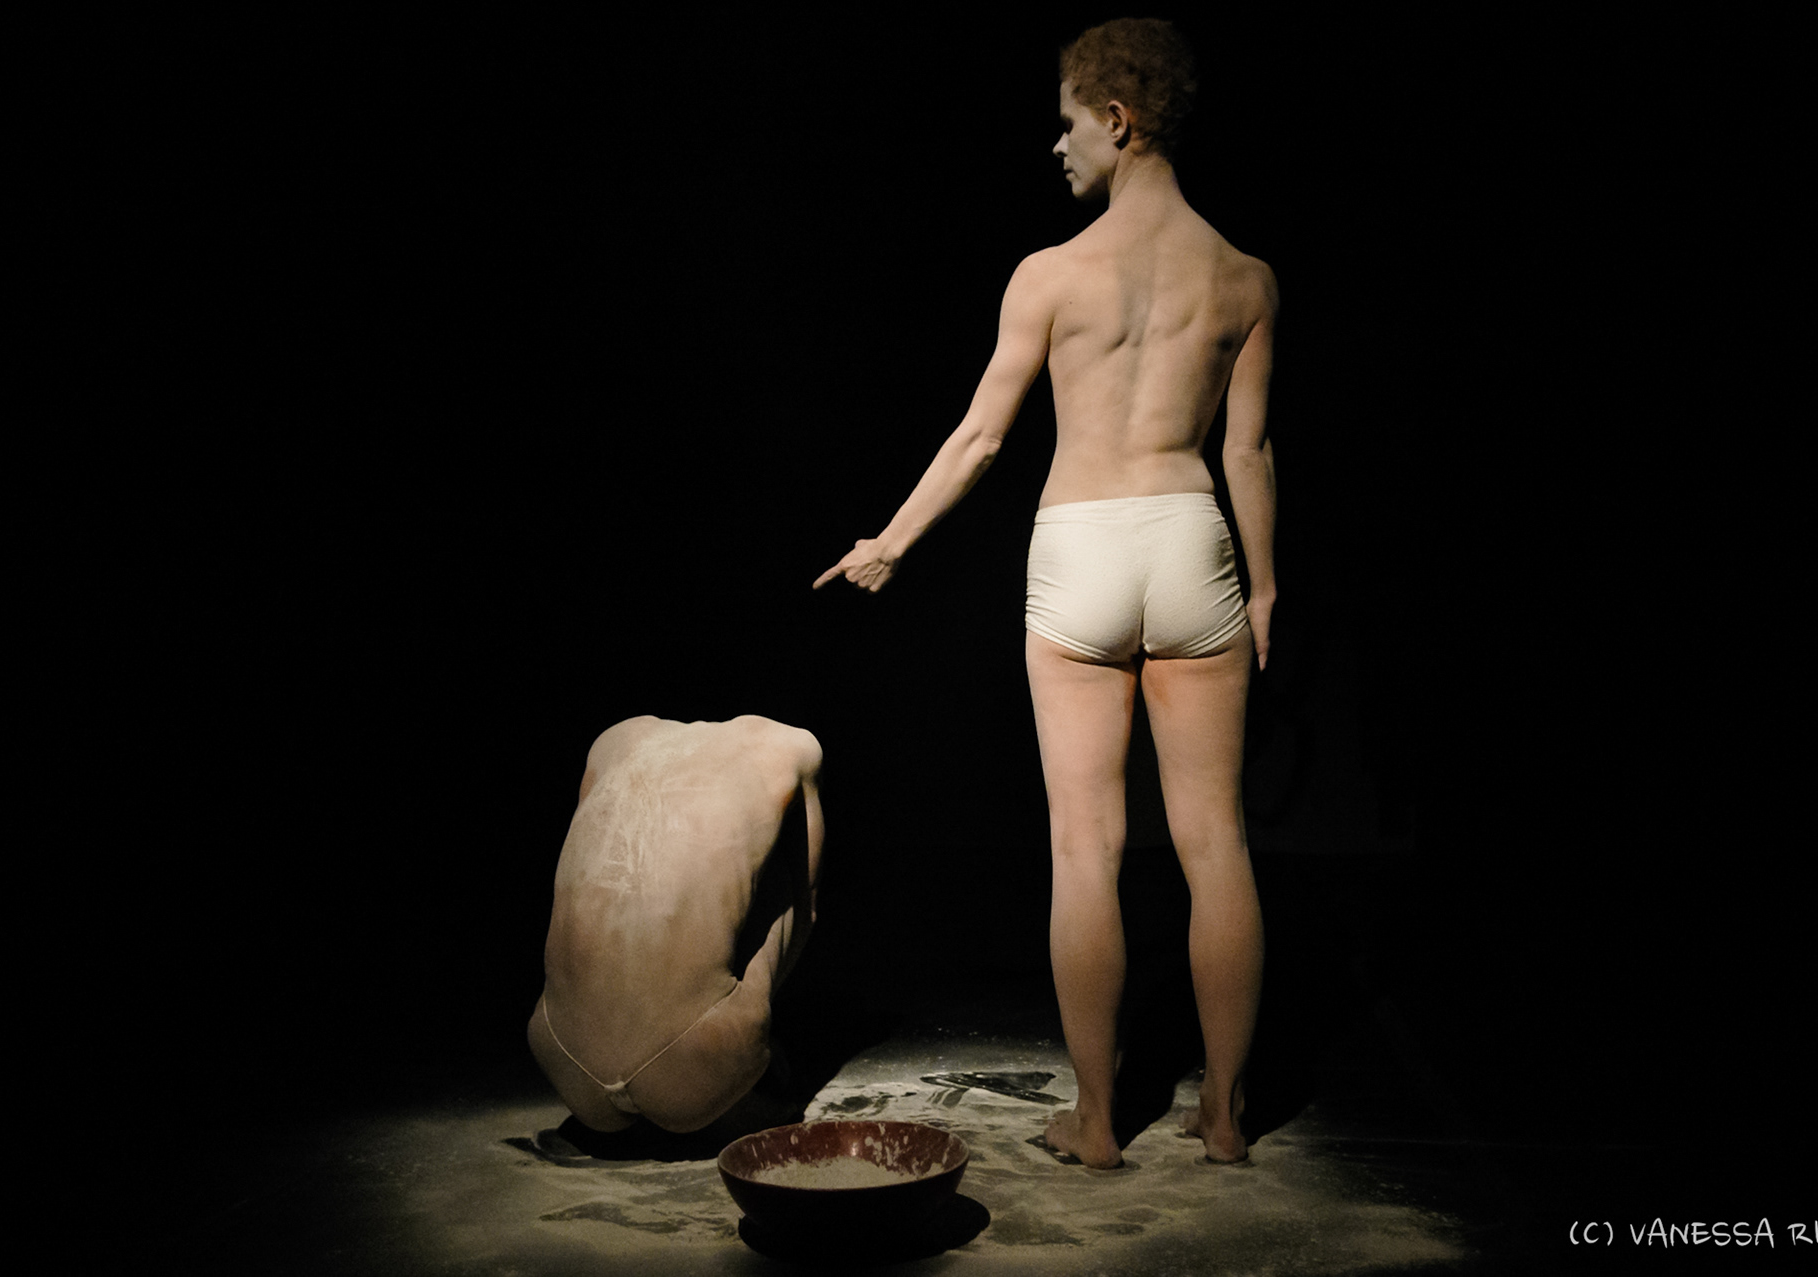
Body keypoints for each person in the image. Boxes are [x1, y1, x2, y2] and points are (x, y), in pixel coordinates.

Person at [815, 18, 1274, 1169]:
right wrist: (1264, 590)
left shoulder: (1051, 274)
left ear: (1118, 120)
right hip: (1191, 538)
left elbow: (979, 438)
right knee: (1216, 842)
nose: (1057, 145)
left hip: (1081, 545)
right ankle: (1225, 1117)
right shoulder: (1246, 278)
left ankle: (1099, 1120)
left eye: (1068, 122)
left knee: (1085, 847)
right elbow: (1248, 451)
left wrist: (891, 541)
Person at [527, 715, 824, 1134]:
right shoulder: (791, 746)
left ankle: (682, 1062)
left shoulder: (613, 741)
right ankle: (724, 1070)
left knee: (617, 871)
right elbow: (807, 906)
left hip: (560, 1052)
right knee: (783, 882)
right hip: (701, 1054)